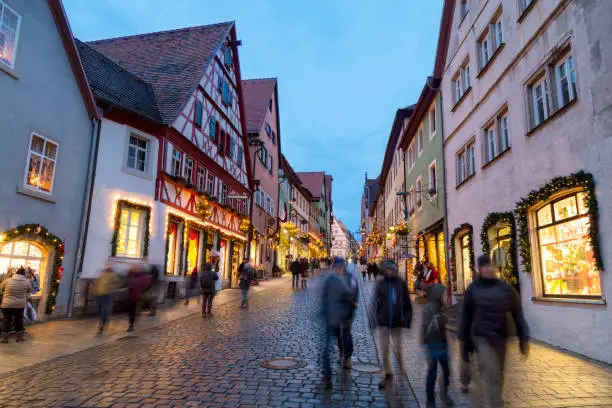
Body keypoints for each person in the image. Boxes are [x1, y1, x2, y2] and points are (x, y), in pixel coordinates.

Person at [459, 254, 529, 408]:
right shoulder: (473, 289)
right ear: (479, 269)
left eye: (491, 265)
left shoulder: (504, 288)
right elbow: (466, 316)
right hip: (481, 336)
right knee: (490, 373)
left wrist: (523, 338)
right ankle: (493, 404)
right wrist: (464, 343)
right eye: (485, 266)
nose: (489, 269)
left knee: (499, 374)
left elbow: (517, 313)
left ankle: (496, 399)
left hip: (499, 336)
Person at [320, 257, 359, 389]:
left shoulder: (351, 279)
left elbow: (354, 295)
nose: (338, 269)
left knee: (346, 334)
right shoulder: (331, 280)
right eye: (336, 267)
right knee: (335, 336)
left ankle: (347, 357)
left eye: (340, 266)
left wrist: (351, 308)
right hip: (332, 316)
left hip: (346, 313)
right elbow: (325, 296)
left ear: (343, 266)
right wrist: (324, 311)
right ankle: (340, 354)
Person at [374, 259, 412, 389]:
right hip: (384, 321)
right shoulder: (381, 284)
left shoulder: (401, 283)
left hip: (397, 321)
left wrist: (407, 319)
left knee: (398, 350)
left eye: (392, 270)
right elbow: (375, 302)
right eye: (388, 270)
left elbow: (407, 303)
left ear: (395, 270)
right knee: (384, 350)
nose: (390, 272)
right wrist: (375, 319)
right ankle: (388, 374)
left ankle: (401, 372)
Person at [421, 282, 454, 407]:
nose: (445, 297)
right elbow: (433, 325)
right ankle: (431, 399)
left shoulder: (436, 307)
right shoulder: (433, 308)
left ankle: (440, 395)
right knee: (435, 372)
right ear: (438, 295)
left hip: (439, 344)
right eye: (444, 295)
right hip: (434, 345)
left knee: (443, 371)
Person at [0, 267, 32, 343]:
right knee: (19, 320)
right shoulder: (26, 281)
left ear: (16, 273)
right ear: (24, 274)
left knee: (6, 320)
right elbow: (30, 290)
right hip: (19, 305)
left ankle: (4, 339)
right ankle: (19, 338)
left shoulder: (8, 280)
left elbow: (1, 288)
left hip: (7, 304)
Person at [91, 262, 122, 334]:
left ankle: (101, 326)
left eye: (110, 265)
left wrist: (111, 288)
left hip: (108, 295)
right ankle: (104, 322)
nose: (108, 266)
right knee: (102, 310)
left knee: (104, 310)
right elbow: (97, 282)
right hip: (99, 295)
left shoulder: (114, 274)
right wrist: (94, 289)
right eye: (107, 264)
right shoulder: (102, 273)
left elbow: (118, 284)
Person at [126, 266, 152, 332]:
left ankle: (131, 324)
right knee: (131, 310)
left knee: (132, 310)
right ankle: (131, 324)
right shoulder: (131, 276)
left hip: (136, 296)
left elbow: (147, 286)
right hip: (131, 295)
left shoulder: (142, 277)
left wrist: (142, 291)